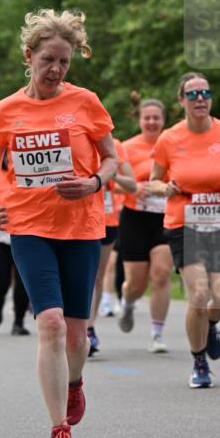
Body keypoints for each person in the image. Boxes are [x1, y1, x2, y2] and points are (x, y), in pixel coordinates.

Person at [0, 9, 118, 438]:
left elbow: (113, 160)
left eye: (65, 61)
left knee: (77, 336)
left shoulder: (86, 103)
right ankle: (58, 430)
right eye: (48, 61)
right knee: (51, 323)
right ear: (29, 57)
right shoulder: (6, 111)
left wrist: (94, 182)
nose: (56, 70)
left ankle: (74, 382)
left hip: (81, 227)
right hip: (28, 227)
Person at [151, 72, 220, 388]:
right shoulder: (169, 138)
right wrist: (163, 189)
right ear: (181, 101)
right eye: (192, 94)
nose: (200, 99)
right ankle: (199, 360)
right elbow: (153, 179)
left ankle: (211, 326)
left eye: (205, 93)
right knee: (199, 293)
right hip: (184, 223)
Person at [118, 98, 174, 352]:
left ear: (163, 120)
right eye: (147, 118)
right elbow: (113, 181)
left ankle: (157, 334)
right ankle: (128, 303)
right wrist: (135, 186)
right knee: (135, 285)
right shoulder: (127, 147)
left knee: (161, 273)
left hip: (165, 218)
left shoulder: (173, 144)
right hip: (135, 218)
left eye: (156, 118)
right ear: (139, 120)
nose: (152, 122)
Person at [87, 137, 135, 355]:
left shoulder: (114, 145)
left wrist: (110, 174)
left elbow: (131, 185)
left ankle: (88, 328)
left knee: (96, 276)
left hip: (107, 220)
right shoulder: (70, 138)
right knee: (77, 276)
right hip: (76, 220)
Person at [0, 159, 31, 335]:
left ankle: (18, 322)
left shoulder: (29, 171)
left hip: (25, 233)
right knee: (2, 280)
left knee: (23, 281)